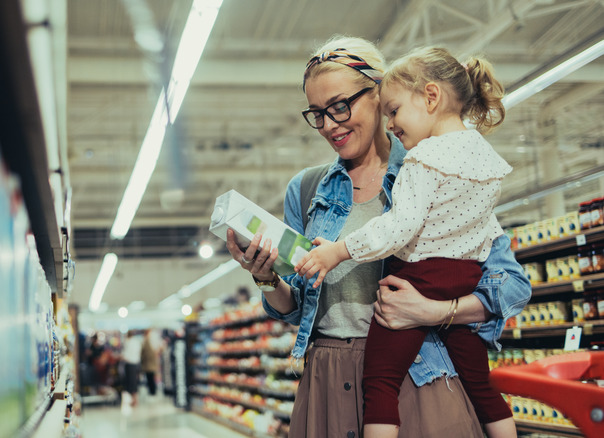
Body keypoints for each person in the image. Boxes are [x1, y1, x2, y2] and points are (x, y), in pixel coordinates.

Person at [224, 35, 531, 438]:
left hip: (420, 374)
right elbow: (298, 308)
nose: (330, 124)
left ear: (379, 92)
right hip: (327, 382)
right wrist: (264, 276)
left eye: (340, 105)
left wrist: (434, 312)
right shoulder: (306, 189)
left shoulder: (435, 168)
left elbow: (510, 286)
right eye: (317, 113)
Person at [121, 329, 142, 407]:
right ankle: (135, 399)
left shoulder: (128, 342)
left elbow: (125, 354)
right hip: (136, 364)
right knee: (134, 382)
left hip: (129, 364)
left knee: (131, 382)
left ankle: (134, 400)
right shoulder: (136, 342)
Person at [140, 329, 160, 397]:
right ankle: (152, 392)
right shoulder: (148, 342)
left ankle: (152, 392)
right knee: (150, 379)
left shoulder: (147, 342)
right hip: (149, 365)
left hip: (149, 365)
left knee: (150, 379)